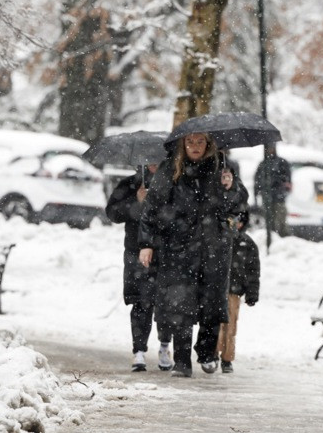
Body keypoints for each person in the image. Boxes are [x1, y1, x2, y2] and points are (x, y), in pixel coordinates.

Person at [138, 132, 248, 377]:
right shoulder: (170, 170)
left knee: (212, 303)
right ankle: (182, 361)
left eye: (200, 142)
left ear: (208, 144)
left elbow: (239, 207)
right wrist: (147, 243)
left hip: (214, 248)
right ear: (182, 144)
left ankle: (207, 352)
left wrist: (230, 189)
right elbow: (152, 208)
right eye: (190, 142)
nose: (195, 147)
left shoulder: (222, 167)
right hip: (179, 247)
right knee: (181, 305)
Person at [106, 163, 173, 372]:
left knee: (166, 303)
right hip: (136, 252)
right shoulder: (130, 184)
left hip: (165, 251)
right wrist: (136, 201)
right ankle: (139, 350)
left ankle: (164, 347)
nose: (153, 164)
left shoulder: (172, 183)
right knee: (141, 302)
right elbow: (112, 213)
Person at [216, 211, 260, 373]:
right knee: (215, 324)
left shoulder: (247, 244)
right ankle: (213, 353)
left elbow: (253, 271)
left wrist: (252, 292)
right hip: (217, 288)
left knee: (230, 326)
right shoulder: (220, 240)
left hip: (233, 290)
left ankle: (226, 358)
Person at [254, 144, 291, 236]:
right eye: (269, 148)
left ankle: (282, 238)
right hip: (267, 197)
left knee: (281, 221)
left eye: (272, 148)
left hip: (279, 197)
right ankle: (272, 237)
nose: (270, 150)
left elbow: (287, 181)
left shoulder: (282, 162)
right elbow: (257, 180)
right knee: (269, 221)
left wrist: (281, 187)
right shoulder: (263, 164)